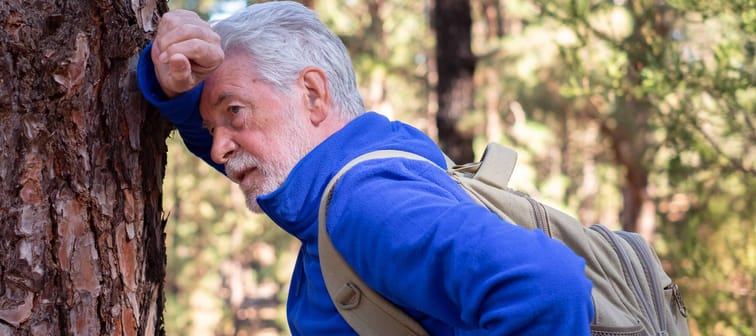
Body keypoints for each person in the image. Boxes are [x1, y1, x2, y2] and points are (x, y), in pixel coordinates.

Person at [137, 1, 594, 334]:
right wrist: (174, 87)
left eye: (233, 111)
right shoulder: (348, 178)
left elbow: (546, 287)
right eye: (210, 126)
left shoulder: (366, 204)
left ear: (313, 95)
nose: (217, 149)